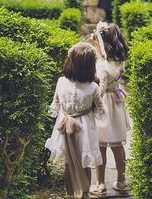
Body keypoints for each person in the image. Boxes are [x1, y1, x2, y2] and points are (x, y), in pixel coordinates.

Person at [45, 43, 105, 199]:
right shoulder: (93, 87)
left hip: (64, 125)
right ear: (90, 66)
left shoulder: (60, 81)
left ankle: (70, 194)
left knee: (68, 163)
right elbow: (101, 111)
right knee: (85, 163)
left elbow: (55, 105)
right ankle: (85, 193)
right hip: (85, 128)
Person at [91, 23, 131, 197]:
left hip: (105, 105)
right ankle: (121, 181)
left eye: (96, 45)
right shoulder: (120, 60)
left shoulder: (102, 66)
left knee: (100, 146)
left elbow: (99, 92)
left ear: (103, 46)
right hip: (117, 103)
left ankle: (100, 184)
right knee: (117, 145)